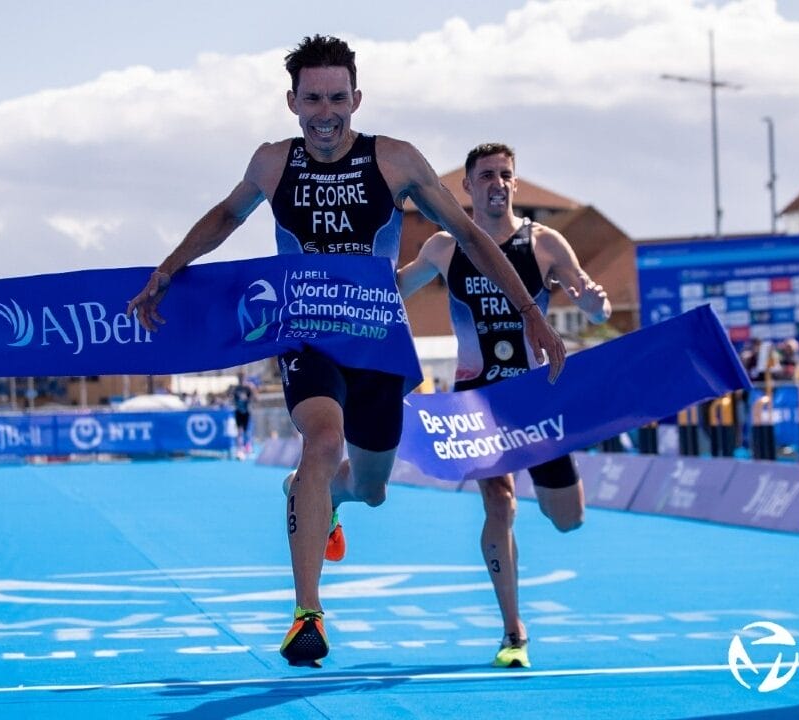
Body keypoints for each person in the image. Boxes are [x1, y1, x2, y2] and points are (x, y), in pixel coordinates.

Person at [127, 38, 566, 667]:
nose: (325, 112)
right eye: (312, 98)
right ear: (292, 101)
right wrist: (168, 270)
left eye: (337, 97)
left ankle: (323, 498)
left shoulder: (394, 160)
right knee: (322, 441)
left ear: (356, 99)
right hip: (306, 333)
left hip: (380, 341)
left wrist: (533, 317)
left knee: (371, 486)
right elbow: (226, 215)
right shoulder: (274, 163)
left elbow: (468, 234)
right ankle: (307, 614)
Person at [398, 142, 611, 669]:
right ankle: (513, 630)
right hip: (478, 399)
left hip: (536, 399)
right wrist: (350, 283)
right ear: (467, 188)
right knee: (501, 504)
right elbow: (397, 287)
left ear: (514, 183)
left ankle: (515, 621)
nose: (498, 183)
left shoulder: (545, 243)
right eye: (487, 175)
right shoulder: (446, 248)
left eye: (506, 175)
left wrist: (592, 300)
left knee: (569, 519)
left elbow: (588, 296)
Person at [229, 370, 257, 458]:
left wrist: (251, 395)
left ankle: (248, 446)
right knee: (239, 430)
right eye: (239, 377)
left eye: (242, 377)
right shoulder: (236, 389)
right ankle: (240, 448)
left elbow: (254, 398)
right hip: (238, 411)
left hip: (246, 411)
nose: (240, 379)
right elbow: (232, 399)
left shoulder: (248, 387)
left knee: (247, 430)